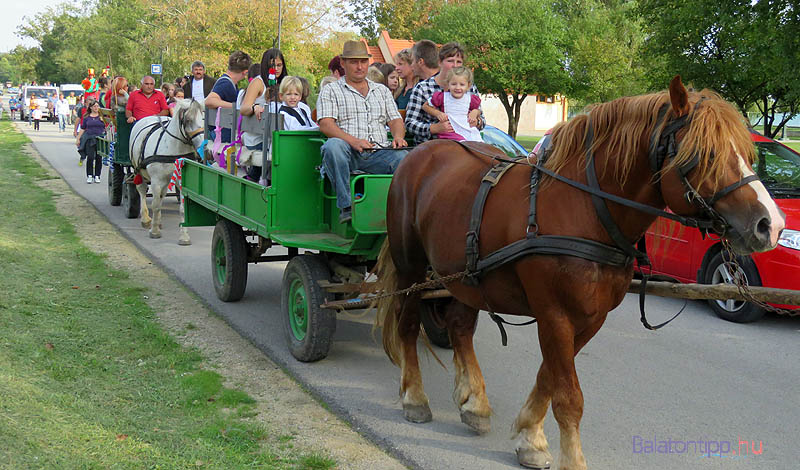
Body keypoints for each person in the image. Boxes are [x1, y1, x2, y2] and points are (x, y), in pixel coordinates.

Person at [316, 40, 408, 223]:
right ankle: (346, 206)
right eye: (353, 62)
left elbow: (396, 119)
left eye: (363, 62)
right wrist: (353, 141)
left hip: (379, 152)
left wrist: (398, 137)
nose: (359, 67)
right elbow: (326, 124)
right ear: (343, 63)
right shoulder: (331, 90)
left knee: (405, 157)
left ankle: (401, 211)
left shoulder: (381, 90)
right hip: (348, 153)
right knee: (333, 146)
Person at [405, 42, 485, 144]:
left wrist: (476, 121)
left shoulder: (469, 88)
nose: (455, 66)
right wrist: (434, 128)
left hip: (466, 142)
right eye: (450, 61)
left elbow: (482, 120)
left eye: (459, 62)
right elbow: (410, 124)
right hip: (431, 145)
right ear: (439, 62)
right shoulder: (423, 88)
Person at [238, 48, 285, 182]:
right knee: (273, 153)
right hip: (258, 137)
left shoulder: (284, 82)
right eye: (272, 65)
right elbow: (244, 108)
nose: (276, 69)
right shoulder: (259, 82)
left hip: (276, 134)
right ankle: (256, 181)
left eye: (279, 65)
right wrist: (254, 107)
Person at [421, 66, 482, 142]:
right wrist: (438, 113)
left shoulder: (470, 99)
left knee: (478, 144)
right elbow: (425, 106)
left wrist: (475, 112)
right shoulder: (443, 97)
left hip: (466, 128)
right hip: (450, 131)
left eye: (462, 84)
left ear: (468, 86)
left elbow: (479, 110)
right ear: (448, 84)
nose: (457, 87)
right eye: (453, 84)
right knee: (462, 144)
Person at [205, 50, 252, 143]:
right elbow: (209, 101)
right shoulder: (225, 83)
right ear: (245, 72)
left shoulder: (231, 83)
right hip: (221, 136)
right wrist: (235, 106)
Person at [75, 100, 105, 183]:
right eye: (94, 106)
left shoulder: (102, 117)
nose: (96, 108)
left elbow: (107, 127)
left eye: (97, 106)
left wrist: (104, 121)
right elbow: (83, 128)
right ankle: (89, 175)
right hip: (89, 139)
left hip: (99, 139)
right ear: (91, 107)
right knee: (90, 157)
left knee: (99, 158)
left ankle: (97, 175)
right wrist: (78, 138)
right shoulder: (87, 118)